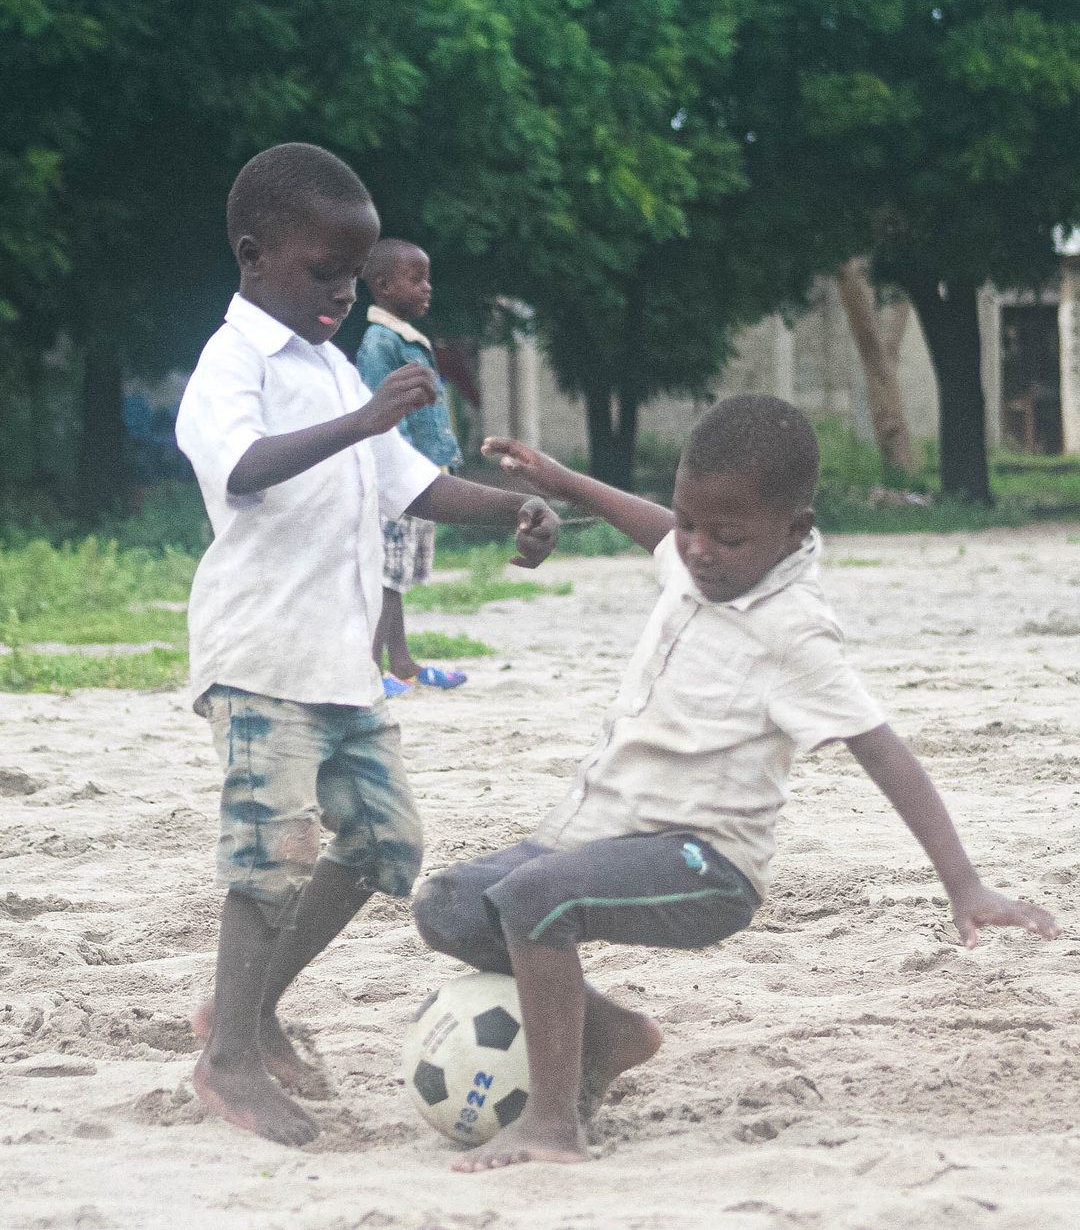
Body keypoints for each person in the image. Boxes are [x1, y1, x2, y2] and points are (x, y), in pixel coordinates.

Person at [413, 395, 1061, 1172]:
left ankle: (553, 1124)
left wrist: (965, 883)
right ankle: (610, 1035)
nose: (697, 549)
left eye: (726, 535)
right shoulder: (700, 562)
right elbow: (659, 531)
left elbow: (884, 752)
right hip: (614, 832)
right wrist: (566, 480)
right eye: (690, 521)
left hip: (706, 865)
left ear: (794, 530)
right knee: (449, 906)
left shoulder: (794, 630)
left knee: (534, 898)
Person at [174, 142, 559, 1148]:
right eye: (323, 271)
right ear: (254, 256)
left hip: (340, 665)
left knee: (387, 841)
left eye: (352, 273)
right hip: (260, 659)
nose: (342, 292)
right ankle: (229, 1061)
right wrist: (362, 421)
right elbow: (241, 468)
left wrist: (515, 504)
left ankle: (246, 1011)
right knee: (270, 857)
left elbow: (411, 483)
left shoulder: (333, 366)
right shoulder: (233, 364)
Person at [358, 239, 466, 697]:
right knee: (385, 573)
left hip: (420, 472)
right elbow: (380, 415)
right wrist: (401, 473)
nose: (427, 288)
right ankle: (368, 670)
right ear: (383, 286)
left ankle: (401, 663)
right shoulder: (379, 343)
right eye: (416, 279)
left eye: (428, 278)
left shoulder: (407, 339)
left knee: (396, 575)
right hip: (396, 479)